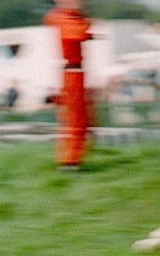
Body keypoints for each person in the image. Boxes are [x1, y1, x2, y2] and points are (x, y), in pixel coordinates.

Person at [44, 0, 92, 170]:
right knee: (75, 117)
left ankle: (72, 158)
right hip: (72, 73)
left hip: (74, 73)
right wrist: (86, 21)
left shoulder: (64, 16)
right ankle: (70, 160)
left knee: (80, 116)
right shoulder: (62, 18)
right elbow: (79, 34)